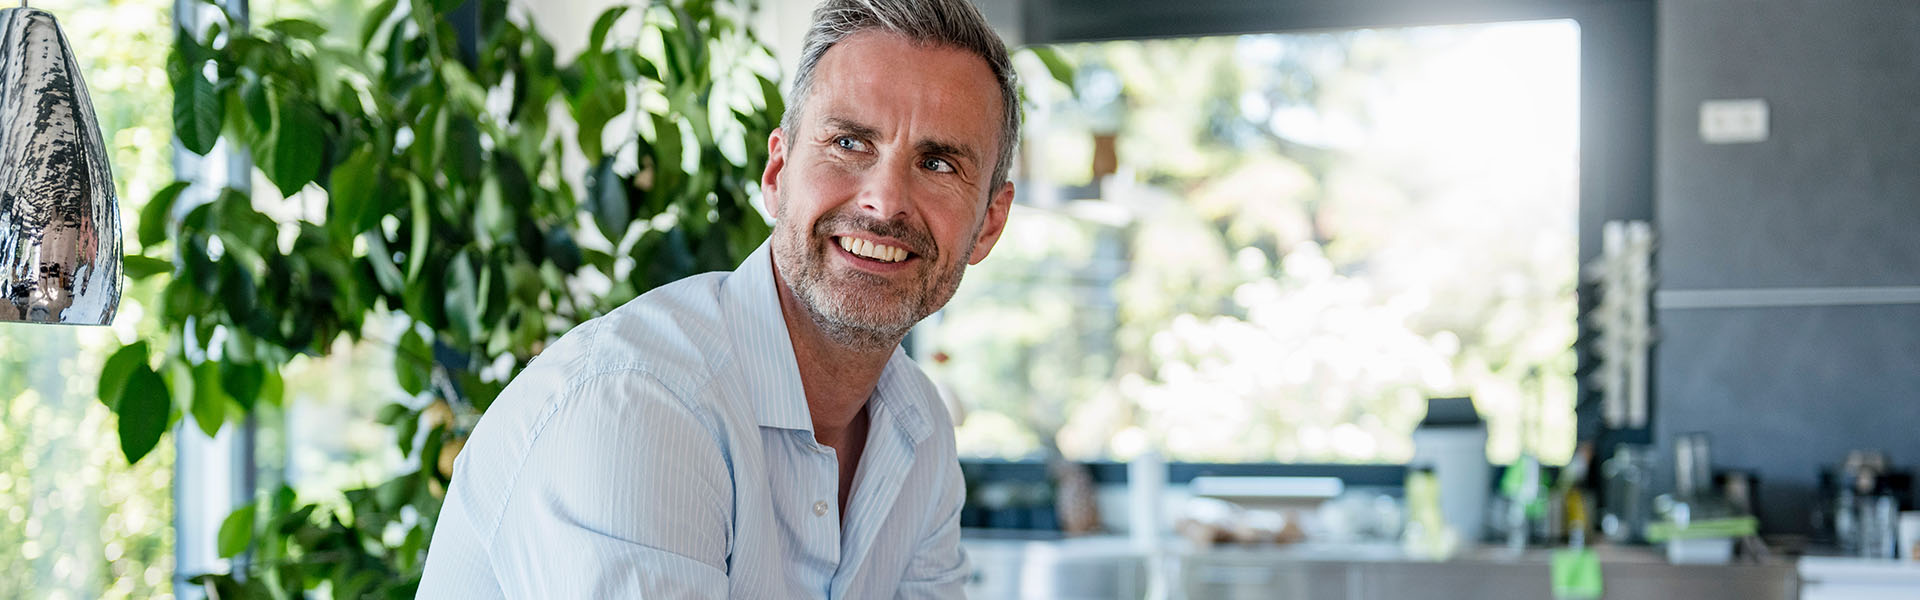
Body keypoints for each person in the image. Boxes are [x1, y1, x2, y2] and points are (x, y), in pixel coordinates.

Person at [417, 0, 1018, 596]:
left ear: (989, 224)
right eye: (849, 143)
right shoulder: (640, 404)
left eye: (938, 164)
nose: (884, 202)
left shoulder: (918, 426)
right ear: (777, 175)